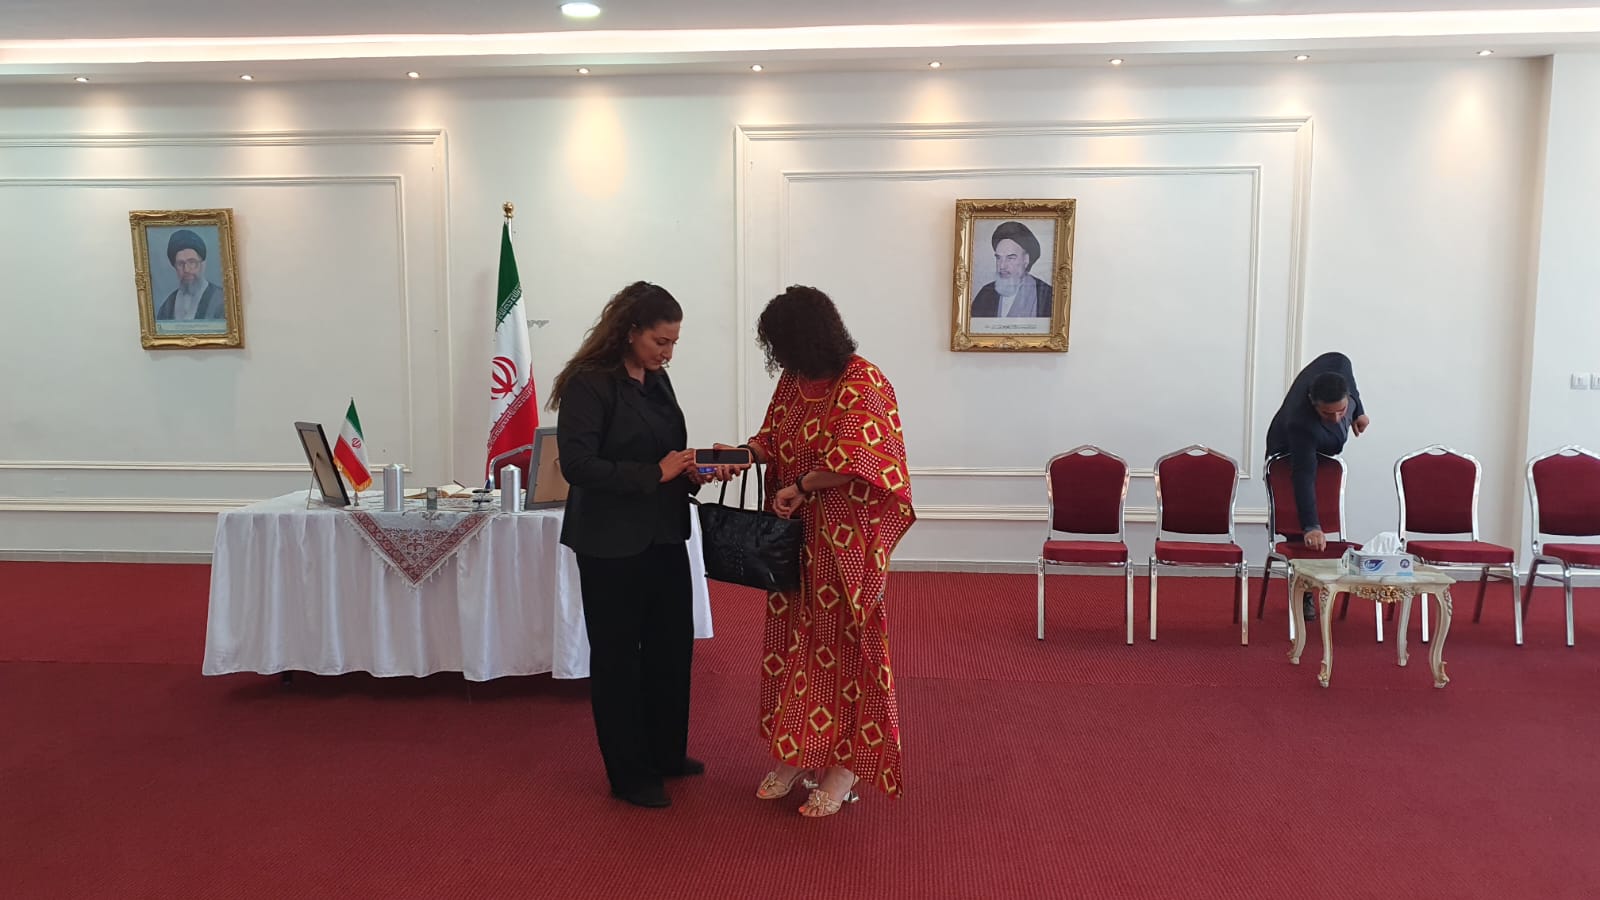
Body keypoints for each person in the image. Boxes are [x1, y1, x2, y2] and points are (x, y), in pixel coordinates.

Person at [728, 285, 916, 819]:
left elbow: (860, 461)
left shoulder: (863, 381)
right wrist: (741, 454)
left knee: (846, 647)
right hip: (795, 541)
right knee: (796, 643)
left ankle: (844, 768)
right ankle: (798, 750)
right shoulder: (794, 381)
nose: (779, 357)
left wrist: (802, 485)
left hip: (847, 544)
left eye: (783, 345)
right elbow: (772, 438)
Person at [549, 281, 717, 809]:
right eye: (660, 342)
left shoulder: (658, 381)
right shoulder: (588, 383)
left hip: (664, 533)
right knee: (618, 659)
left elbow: (665, 454)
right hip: (609, 542)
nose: (668, 354)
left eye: (673, 344)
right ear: (629, 332)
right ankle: (629, 774)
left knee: (671, 648)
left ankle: (666, 753)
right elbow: (578, 466)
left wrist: (690, 471)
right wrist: (655, 473)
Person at [1265, 351, 1371, 621]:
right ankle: (1304, 593)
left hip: (1326, 446)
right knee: (1298, 525)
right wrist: (1311, 526)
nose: (1336, 418)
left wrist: (1359, 411)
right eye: (1327, 413)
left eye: (1341, 411)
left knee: (1321, 501)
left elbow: (1349, 380)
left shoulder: (1338, 364)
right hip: (1288, 452)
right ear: (1314, 404)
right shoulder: (1300, 423)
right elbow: (1303, 475)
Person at [970, 220, 1053, 318]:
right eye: (998, 258)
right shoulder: (985, 294)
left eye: (1010, 258)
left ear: (1026, 260)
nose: (1002, 266)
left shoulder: (1047, 296)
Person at [155, 229, 225, 321]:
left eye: (192, 262)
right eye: (180, 264)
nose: (186, 269)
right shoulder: (167, 306)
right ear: (175, 267)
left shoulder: (222, 299)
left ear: (203, 264)